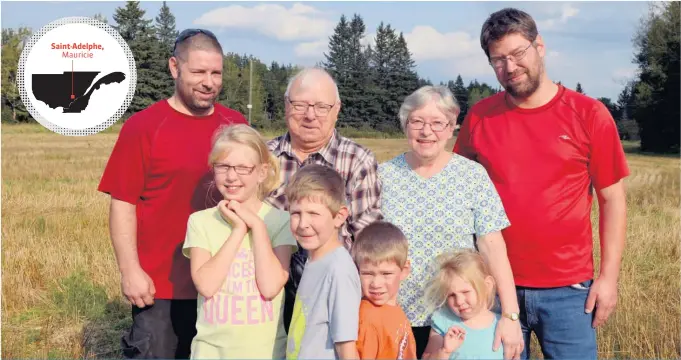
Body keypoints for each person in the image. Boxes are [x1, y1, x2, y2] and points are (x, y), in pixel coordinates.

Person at [453, 8, 629, 359]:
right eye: (498, 60)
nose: (510, 67)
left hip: (569, 290)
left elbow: (613, 200)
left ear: (540, 46)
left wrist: (608, 279)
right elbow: (457, 189)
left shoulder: (589, 114)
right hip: (493, 285)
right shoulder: (480, 117)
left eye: (518, 53)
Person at [97, 28, 248, 359]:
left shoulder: (235, 126)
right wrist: (130, 270)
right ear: (174, 67)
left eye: (216, 73)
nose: (209, 82)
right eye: (198, 72)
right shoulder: (143, 127)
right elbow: (123, 204)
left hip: (223, 284)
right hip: (159, 287)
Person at [378, 85, 523, 359]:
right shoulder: (382, 176)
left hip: (458, 319)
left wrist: (510, 315)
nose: (426, 131)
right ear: (405, 125)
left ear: (451, 126)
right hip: (395, 316)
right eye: (417, 121)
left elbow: (492, 245)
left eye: (436, 123)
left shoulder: (472, 176)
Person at [266, 67, 382, 331]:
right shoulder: (262, 158)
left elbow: (364, 237)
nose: (310, 115)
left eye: (321, 106)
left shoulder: (357, 160)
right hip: (267, 291)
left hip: (330, 293)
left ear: (336, 109)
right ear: (286, 106)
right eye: (300, 105)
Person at [181, 124, 297, 358]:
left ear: (262, 172)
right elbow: (206, 285)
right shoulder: (200, 222)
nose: (232, 176)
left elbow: (271, 286)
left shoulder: (280, 220)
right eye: (223, 166)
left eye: (243, 168)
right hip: (210, 353)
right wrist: (238, 230)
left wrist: (257, 226)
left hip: (265, 353)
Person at [284, 164, 362, 360]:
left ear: (339, 217)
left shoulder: (338, 270)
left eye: (314, 213)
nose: (303, 224)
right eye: (296, 213)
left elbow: (346, 346)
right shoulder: (313, 261)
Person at [351, 221, 417, 360]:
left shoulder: (394, 311)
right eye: (368, 274)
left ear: (404, 270)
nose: (376, 283)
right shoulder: (368, 318)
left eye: (386, 274)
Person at [421, 249, 502, 360]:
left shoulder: (500, 325)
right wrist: (444, 351)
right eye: (451, 295)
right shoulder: (443, 321)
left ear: (487, 285)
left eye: (465, 292)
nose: (459, 301)